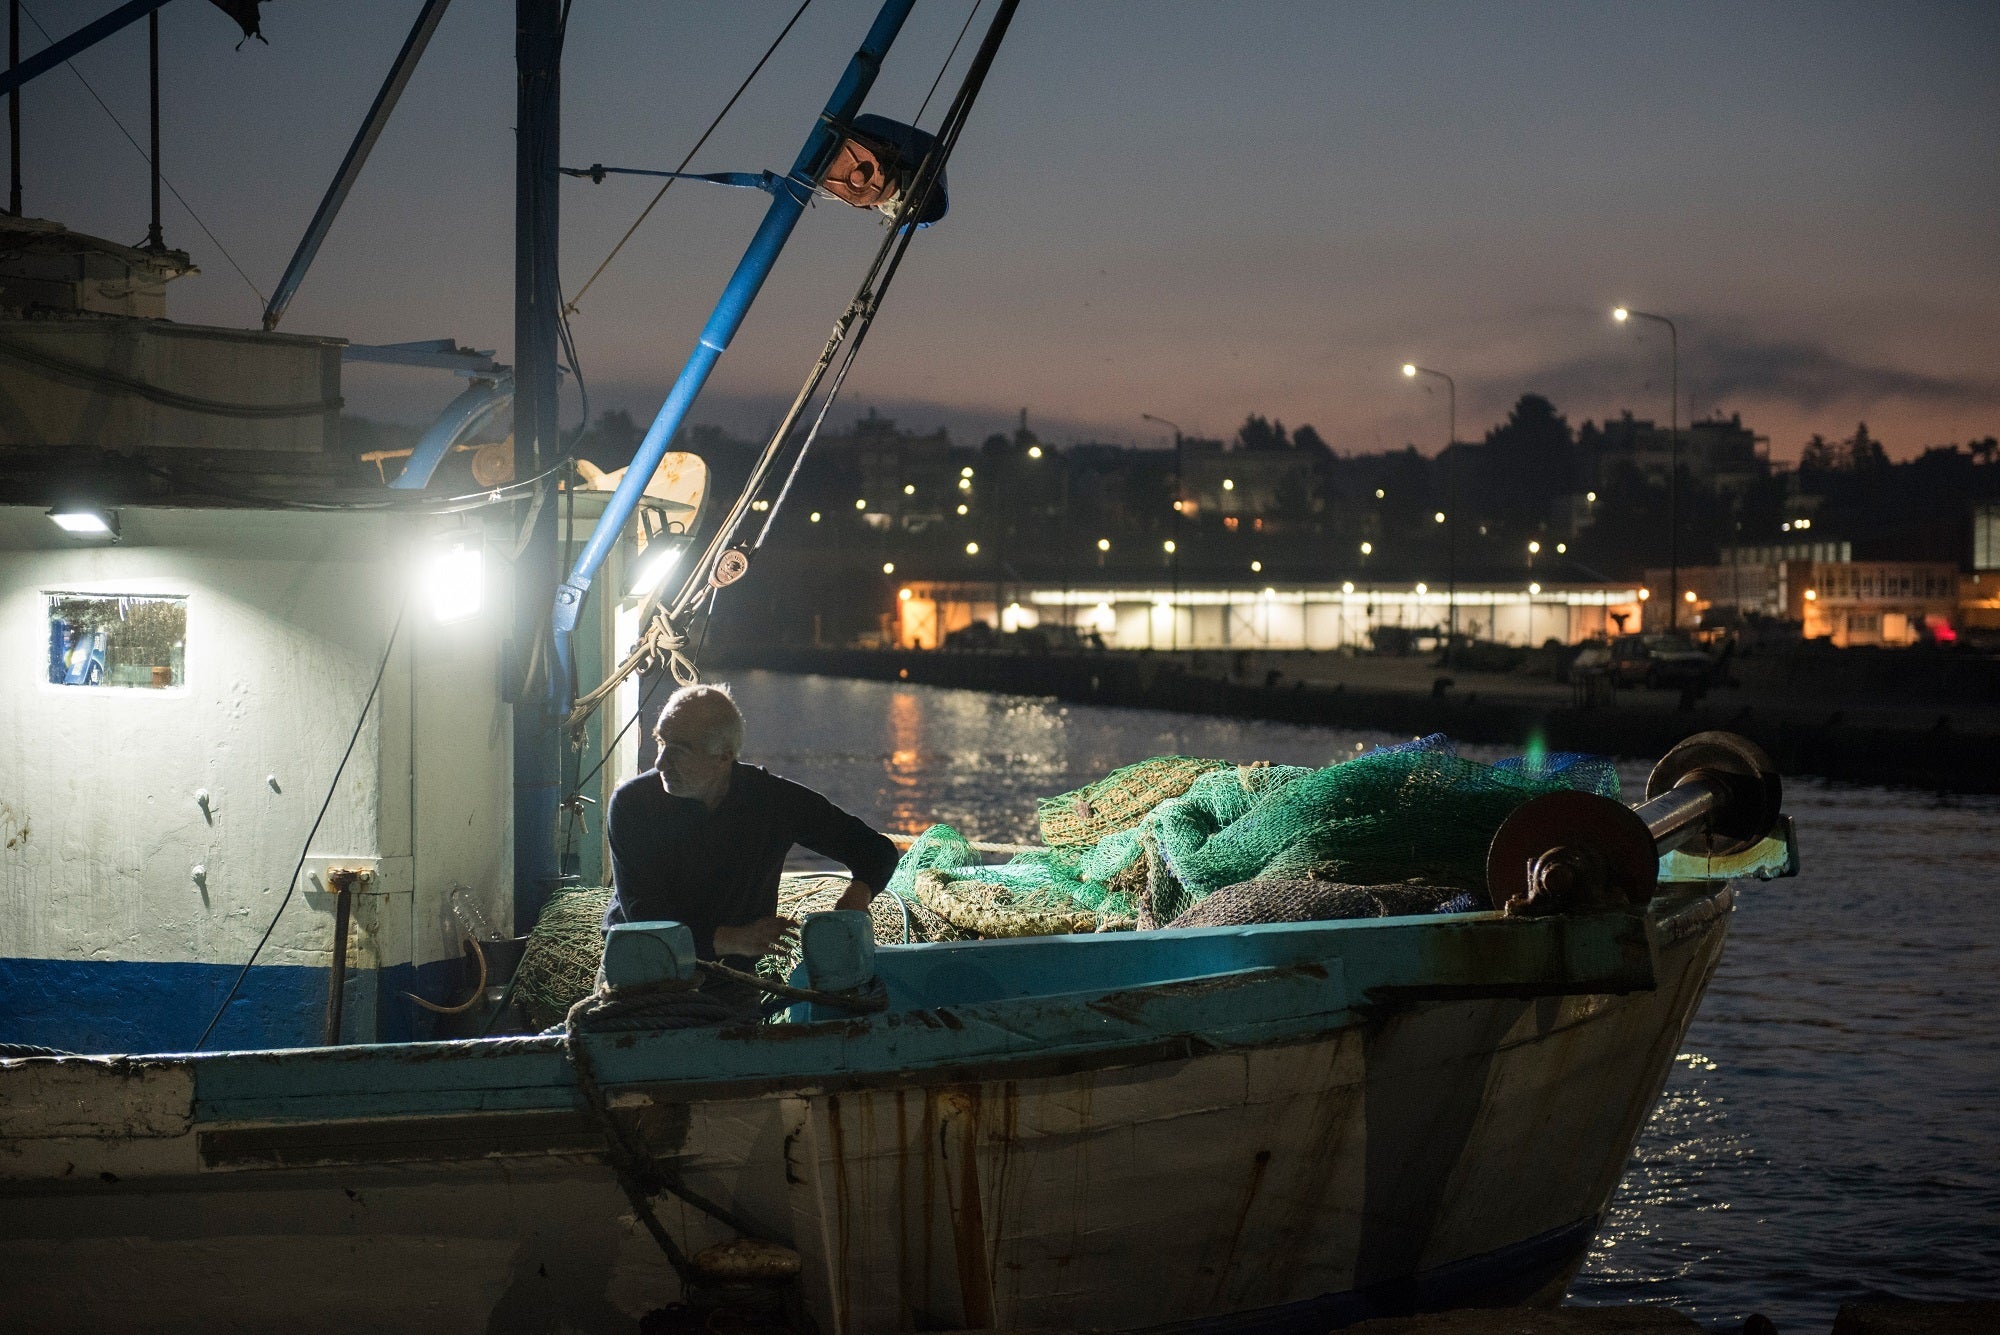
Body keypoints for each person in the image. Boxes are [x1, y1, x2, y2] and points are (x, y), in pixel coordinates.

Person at [603, 683, 900, 982]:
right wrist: (736, 940)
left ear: (724, 757)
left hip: (732, 979)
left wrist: (855, 897)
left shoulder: (769, 800)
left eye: (679, 750)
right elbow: (644, 918)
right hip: (640, 970)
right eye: (660, 741)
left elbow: (876, 852)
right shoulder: (632, 804)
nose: (660, 762)